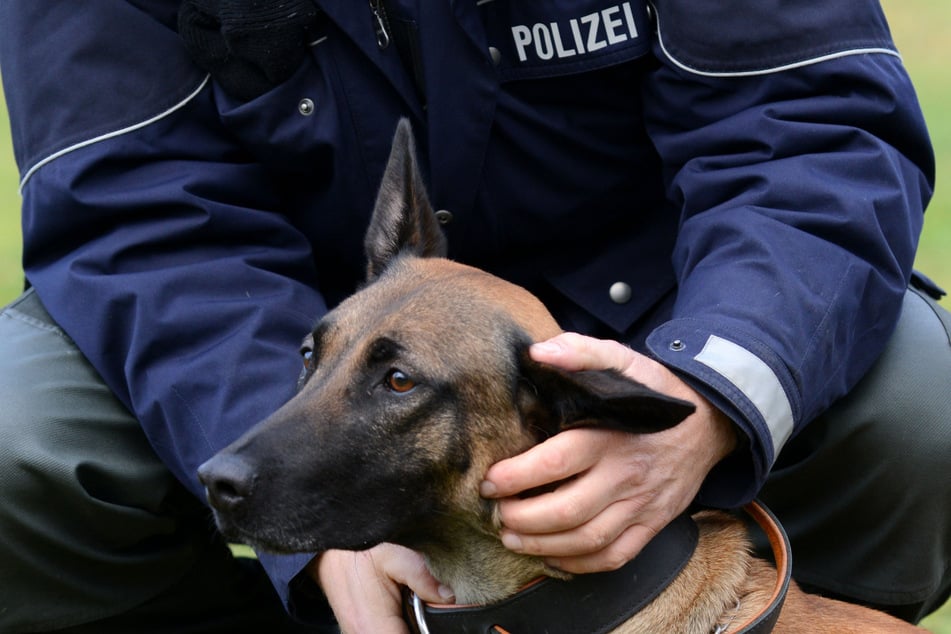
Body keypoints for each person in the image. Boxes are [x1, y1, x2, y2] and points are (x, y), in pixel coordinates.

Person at [0, 0, 948, 632]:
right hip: (278, 330)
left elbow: (810, 128)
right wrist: (323, 540)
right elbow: (139, 219)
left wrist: (710, 393)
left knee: (915, 400)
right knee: (18, 437)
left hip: (662, 309)